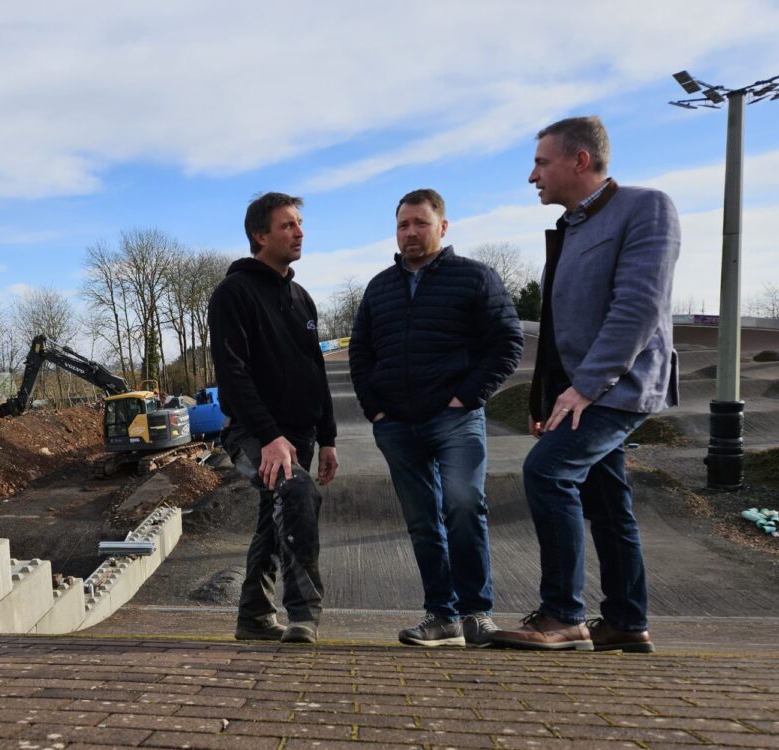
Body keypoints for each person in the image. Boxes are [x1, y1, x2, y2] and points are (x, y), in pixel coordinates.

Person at [491, 116, 680, 653]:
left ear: (580, 160)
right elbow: (555, 329)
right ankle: (624, 621)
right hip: (577, 391)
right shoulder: (570, 228)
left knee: (547, 472)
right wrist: (546, 397)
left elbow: (639, 307)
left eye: (541, 163)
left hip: (620, 386)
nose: (532, 176)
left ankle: (563, 615)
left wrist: (589, 386)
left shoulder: (646, 207)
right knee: (607, 497)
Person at [349, 189, 523, 648]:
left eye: (420, 223)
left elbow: (507, 343)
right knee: (423, 520)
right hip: (397, 424)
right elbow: (361, 353)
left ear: (442, 227)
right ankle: (441, 616)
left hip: (455, 419)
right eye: (403, 224)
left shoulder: (475, 278)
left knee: (464, 505)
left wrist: (466, 396)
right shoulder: (379, 287)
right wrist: (376, 408)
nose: (410, 232)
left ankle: (477, 613)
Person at [208, 191, 339, 644]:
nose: (299, 231)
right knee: (296, 491)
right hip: (252, 433)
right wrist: (267, 436)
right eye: (287, 225)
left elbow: (315, 370)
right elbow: (232, 372)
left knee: (275, 517)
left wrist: (328, 438)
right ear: (259, 235)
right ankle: (304, 613)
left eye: (300, 223)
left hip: (300, 433)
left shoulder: (302, 298)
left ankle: (254, 617)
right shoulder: (233, 293)